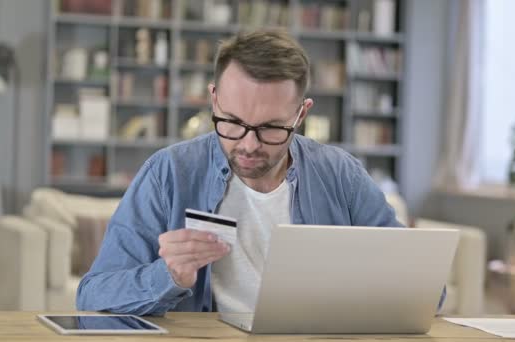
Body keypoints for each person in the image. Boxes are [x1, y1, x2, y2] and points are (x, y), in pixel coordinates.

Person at [76, 29, 405, 316]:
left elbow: (424, 287)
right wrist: (169, 277)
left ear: (301, 114)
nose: (248, 145)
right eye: (232, 122)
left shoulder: (341, 175)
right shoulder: (168, 174)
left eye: (271, 128)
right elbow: (92, 296)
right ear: (214, 100)